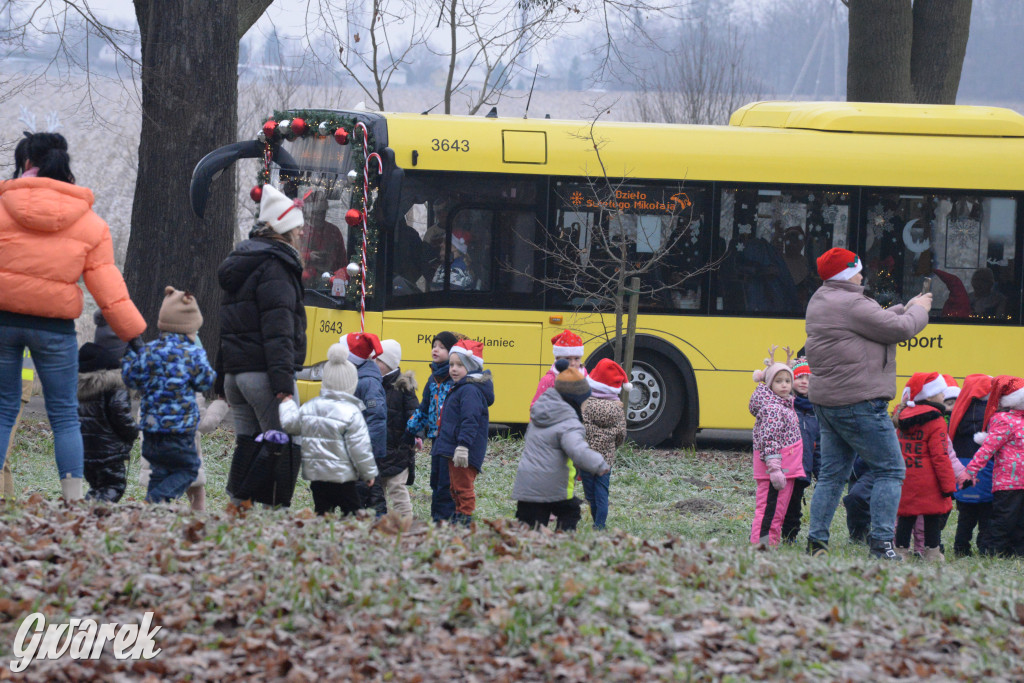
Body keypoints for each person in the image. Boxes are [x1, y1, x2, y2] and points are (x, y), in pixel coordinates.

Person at [0, 132, 147, 502]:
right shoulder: (89, 223)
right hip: (54, 330)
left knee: (2, 410)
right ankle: (72, 499)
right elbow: (108, 289)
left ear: (28, 164)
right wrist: (133, 334)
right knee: (64, 415)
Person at [804, 247, 931, 560]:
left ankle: (816, 542)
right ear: (848, 273)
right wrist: (921, 310)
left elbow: (878, 322)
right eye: (858, 269)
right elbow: (899, 329)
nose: (863, 275)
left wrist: (906, 306)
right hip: (858, 402)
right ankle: (882, 545)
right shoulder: (852, 302)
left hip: (829, 402)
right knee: (891, 470)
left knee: (833, 475)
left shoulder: (823, 298)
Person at [218, 184, 307, 504]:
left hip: (235, 376)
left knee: (249, 443)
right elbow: (278, 329)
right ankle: (274, 518)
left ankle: (235, 510)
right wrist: (283, 384)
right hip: (265, 377)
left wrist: (221, 378)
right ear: (283, 228)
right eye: (297, 226)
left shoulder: (242, 261)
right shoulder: (276, 266)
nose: (300, 231)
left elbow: (230, 325)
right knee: (285, 444)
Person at [122, 287, 215, 504]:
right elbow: (206, 382)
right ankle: (155, 500)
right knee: (190, 469)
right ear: (190, 327)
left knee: (159, 472)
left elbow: (131, 380)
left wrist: (128, 357)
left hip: (152, 430)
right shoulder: (194, 354)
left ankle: (153, 517)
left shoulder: (149, 351)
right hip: (180, 430)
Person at [279, 343, 377, 516]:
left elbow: (290, 424)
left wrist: (287, 404)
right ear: (351, 385)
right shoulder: (352, 412)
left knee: (322, 512)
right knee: (353, 513)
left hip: (317, 476)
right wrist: (368, 473)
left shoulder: (310, 407)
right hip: (344, 478)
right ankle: (349, 539)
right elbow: (360, 448)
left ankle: (321, 538)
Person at [514, 366, 610, 531]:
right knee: (570, 512)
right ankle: (563, 542)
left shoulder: (539, 415)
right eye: (585, 402)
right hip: (550, 486)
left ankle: (528, 548)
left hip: (526, 484)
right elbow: (577, 450)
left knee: (531, 526)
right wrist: (599, 464)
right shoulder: (568, 422)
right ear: (575, 401)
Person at [891, 373, 962, 561]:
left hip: (906, 478)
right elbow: (940, 455)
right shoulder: (936, 420)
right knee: (932, 516)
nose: (943, 396)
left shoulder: (901, 416)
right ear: (930, 397)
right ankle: (932, 552)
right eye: (940, 393)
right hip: (929, 481)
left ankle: (900, 551)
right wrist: (948, 486)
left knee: (905, 516)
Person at [431, 340, 493, 525]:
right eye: (451, 364)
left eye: (460, 365)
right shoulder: (461, 387)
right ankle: (457, 520)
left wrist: (463, 446)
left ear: (472, 367)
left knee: (463, 488)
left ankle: (464, 523)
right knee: (455, 488)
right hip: (454, 448)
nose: (453, 369)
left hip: (463, 450)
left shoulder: (470, 390)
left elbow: (470, 421)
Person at [749, 346, 805, 546]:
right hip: (776, 471)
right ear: (770, 383)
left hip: (786, 469)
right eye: (779, 381)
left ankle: (770, 543)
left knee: (777, 511)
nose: (784, 385)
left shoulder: (785, 404)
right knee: (768, 511)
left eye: (788, 381)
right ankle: (761, 545)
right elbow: (769, 440)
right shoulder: (773, 408)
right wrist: (774, 469)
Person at [962, 375, 1024, 557]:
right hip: (1008, 482)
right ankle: (992, 551)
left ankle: (1017, 552)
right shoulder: (1004, 420)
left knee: (1021, 521)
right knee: (1003, 519)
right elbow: (987, 449)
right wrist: (970, 471)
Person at [405, 331, 459, 522]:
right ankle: (438, 518)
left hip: (451, 439)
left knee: (446, 482)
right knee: (435, 480)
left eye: (442, 347)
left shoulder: (455, 380)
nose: (436, 349)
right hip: (436, 438)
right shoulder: (432, 379)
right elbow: (424, 408)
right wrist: (411, 429)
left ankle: (447, 520)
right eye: (434, 345)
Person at [77, 343, 137, 502]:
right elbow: (120, 412)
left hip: (84, 453)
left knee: (96, 487)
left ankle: (86, 514)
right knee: (113, 486)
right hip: (110, 452)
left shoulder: (77, 388)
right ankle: (97, 516)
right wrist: (133, 431)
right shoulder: (115, 385)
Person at [338, 332, 388, 516]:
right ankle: (376, 522)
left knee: (361, 489)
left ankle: (356, 521)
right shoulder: (356, 377)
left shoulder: (368, 382)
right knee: (372, 491)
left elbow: (377, 418)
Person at [580, 358, 629, 530]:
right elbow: (622, 434)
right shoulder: (617, 410)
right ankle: (600, 524)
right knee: (602, 492)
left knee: (590, 493)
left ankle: (596, 519)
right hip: (605, 460)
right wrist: (613, 446)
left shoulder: (585, 406)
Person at [949, 374, 995, 557]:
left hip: (962, 467)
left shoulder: (959, 411)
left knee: (965, 515)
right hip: (986, 467)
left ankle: (960, 548)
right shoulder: (993, 411)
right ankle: (984, 548)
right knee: (987, 515)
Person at [376, 339, 418, 520]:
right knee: (376, 493)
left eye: (378, 360)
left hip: (399, 452)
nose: (373, 363)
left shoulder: (403, 387)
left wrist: (417, 435)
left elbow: (415, 414)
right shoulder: (373, 383)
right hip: (377, 451)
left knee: (397, 490)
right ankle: (379, 525)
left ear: (389, 364)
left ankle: (406, 524)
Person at [781, 357, 820, 543]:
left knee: (795, 504)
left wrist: (820, 472)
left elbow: (819, 446)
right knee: (778, 503)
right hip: (783, 466)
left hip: (802, 468)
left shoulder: (817, 411)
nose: (804, 382)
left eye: (809, 378)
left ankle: (790, 535)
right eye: (799, 377)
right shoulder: (785, 405)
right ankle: (768, 532)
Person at [531, 330, 588, 408]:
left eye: (576, 358)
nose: (573, 363)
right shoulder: (549, 380)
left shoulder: (585, 376)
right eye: (568, 359)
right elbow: (536, 407)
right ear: (557, 359)